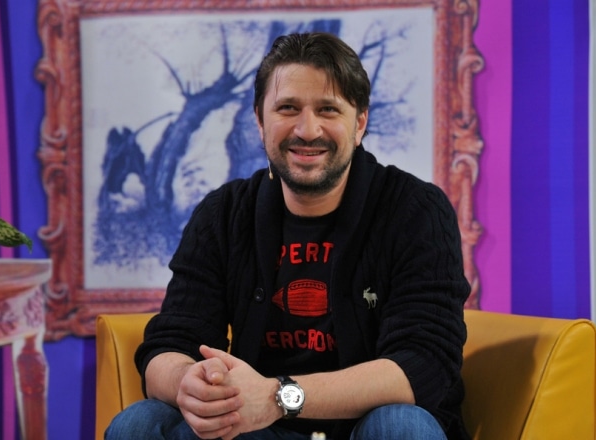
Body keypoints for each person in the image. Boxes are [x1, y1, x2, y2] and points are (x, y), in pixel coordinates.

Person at [105, 32, 471, 440]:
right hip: (255, 427)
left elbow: (423, 365)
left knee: (400, 424)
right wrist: (188, 382)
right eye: (288, 108)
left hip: (362, 427)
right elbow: (169, 343)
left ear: (359, 124)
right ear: (260, 121)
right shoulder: (223, 213)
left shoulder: (416, 209)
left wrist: (279, 396)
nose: (307, 130)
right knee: (141, 422)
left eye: (328, 109)